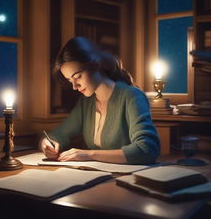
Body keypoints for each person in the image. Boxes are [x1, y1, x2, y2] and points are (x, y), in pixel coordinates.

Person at [41, 36, 160, 165]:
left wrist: (89, 154)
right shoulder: (86, 103)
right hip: (100, 176)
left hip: (128, 178)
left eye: (78, 77)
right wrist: (49, 143)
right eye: (70, 80)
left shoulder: (132, 96)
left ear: (95, 65)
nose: (75, 86)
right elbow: (60, 134)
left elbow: (147, 149)